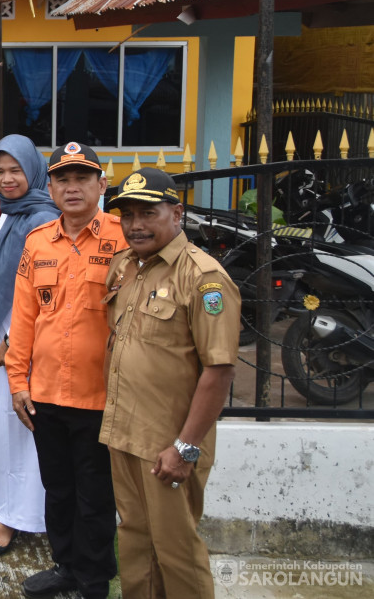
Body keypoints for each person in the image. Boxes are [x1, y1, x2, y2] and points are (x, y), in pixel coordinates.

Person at [103, 168, 241, 598]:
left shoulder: (204, 278)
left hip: (171, 444)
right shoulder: (124, 266)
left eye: (148, 212)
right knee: (135, 541)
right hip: (124, 434)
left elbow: (219, 371)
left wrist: (185, 447)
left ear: (177, 213)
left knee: (176, 551)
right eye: (126, 215)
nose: (135, 224)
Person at [6, 142, 125, 599]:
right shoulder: (38, 243)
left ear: (101, 184)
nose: (72, 188)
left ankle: (94, 580)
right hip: (47, 394)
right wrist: (18, 382)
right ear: (50, 187)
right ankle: (65, 567)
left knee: (95, 496)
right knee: (57, 490)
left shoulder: (121, 237)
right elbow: (24, 319)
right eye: (63, 179)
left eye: (82, 178)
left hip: (100, 395)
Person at [0, 135, 60, 558]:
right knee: (4, 420)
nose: (5, 179)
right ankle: (1, 502)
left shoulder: (41, 215)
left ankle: (15, 518)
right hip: (3, 330)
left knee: (22, 425)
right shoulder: (11, 211)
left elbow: (45, 290)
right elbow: (2, 266)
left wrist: (11, 341)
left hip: (23, 337)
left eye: (15, 170)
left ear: (33, 171)